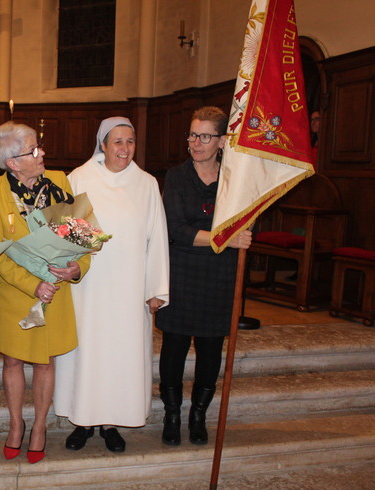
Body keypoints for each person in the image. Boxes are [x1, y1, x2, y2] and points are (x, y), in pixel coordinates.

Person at [54, 117, 170, 453]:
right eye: (117, 141)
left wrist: (155, 289)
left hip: (129, 288)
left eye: (130, 141)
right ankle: (83, 421)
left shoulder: (147, 183)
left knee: (122, 355)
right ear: (102, 145)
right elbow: (65, 233)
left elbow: (157, 237)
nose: (124, 148)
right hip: (88, 286)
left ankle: (112, 423)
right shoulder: (78, 178)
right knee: (87, 353)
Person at [0, 121, 90, 464]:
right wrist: (32, 284)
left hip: (55, 288)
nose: (41, 154)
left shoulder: (59, 181)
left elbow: (82, 232)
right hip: (17, 291)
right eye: (33, 150)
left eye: (38, 147)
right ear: (12, 162)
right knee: (13, 360)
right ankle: (16, 424)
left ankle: (40, 427)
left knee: (46, 362)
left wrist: (77, 268)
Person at [154, 106, 252, 447]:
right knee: (175, 346)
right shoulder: (178, 176)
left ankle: (198, 415)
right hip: (182, 271)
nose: (196, 143)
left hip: (219, 274)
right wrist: (221, 238)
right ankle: (172, 414)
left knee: (211, 350)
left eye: (205, 136)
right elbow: (176, 228)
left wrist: (244, 232)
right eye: (193, 135)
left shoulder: (235, 179)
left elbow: (244, 221)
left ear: (222, 141)